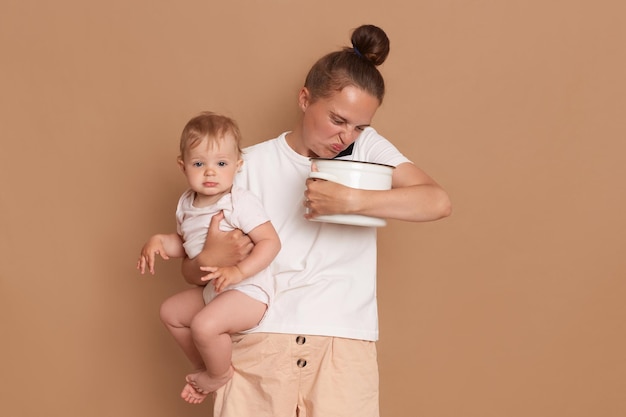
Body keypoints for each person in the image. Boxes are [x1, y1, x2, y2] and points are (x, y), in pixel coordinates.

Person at [182, 24, 452, 416]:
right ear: (305, 99)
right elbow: (192, 273)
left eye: (360, 126)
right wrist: (211, 254)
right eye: (338, 120)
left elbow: (437, 201)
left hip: (342, 343)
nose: (347, 136)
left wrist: (352, 200)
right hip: (260, 341)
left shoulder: (366, 150)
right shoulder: (244, 166)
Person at [136, 112, 281, 404]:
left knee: (204, 325)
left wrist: (239, 272)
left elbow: (271, 242)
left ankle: (218, 375)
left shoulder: (238, 202)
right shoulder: (186, 204)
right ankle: (206, 364)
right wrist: (158, 242)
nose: (210, 172)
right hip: (214, 291)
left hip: (247, 292)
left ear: (237, 166)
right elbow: (185, 244)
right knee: (171, 312)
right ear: (183, 166)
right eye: (199, 164)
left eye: (221, 164)